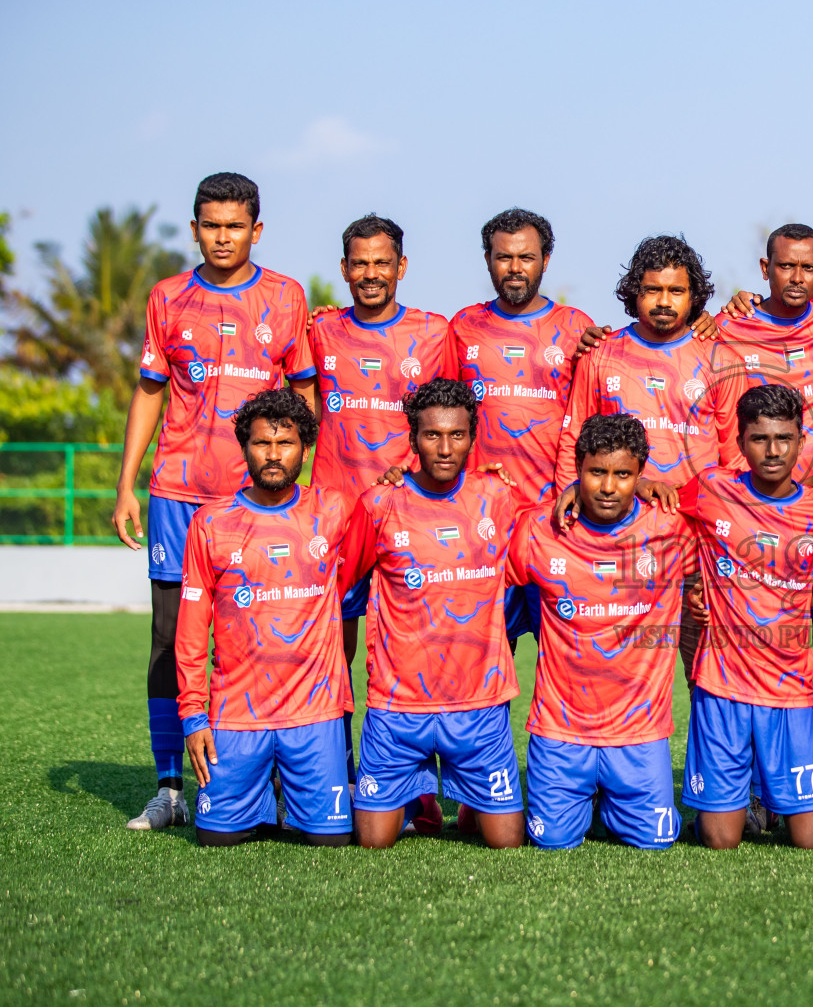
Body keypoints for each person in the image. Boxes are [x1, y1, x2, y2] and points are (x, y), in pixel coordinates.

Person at [114, 172, 317, 830]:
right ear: (195, 227)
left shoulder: (286, 297)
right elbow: (149, 390)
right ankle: (170, 786)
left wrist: (299, 481)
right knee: (169, 640)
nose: (222, 236)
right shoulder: (168, 297)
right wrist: (127, 482)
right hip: (178, 492)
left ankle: (273, 777)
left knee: (265, 633)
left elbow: (307, 394)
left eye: (235, 225)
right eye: (211, 225)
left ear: (256, 230)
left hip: (256, 501)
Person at [712, 223, 813, 819]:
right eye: (785, 267)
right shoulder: (729, 326)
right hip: (758, 524)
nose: (796, 278)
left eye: (808, 268)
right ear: (764, 268)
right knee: (760, 659)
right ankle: (752, 791)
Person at [339, 379, 525, 849]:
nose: (445, 448)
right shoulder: (379, 503)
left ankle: (469, 800)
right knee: (372, 842)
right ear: (413, 438)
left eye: (457, 435)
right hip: (398, 707)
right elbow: (342, 586)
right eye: (432, 435)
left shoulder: (498, 498)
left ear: (472, 437)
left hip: (479, 705)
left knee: (505, 843)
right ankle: (417, 798)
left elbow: (541, 554)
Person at [508, 413, 695, 849]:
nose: (608, 487)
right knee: (551, 843)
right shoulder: (540, 531)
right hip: (560, 731)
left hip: (639, 734)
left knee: (655, 843)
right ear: (577, 472)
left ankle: (609, 803)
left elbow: (732, 489)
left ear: (640, 476)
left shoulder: (670, 527)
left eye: (623, 475)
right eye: (596, 473)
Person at [555, 235, 742, 672]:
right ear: (633, 292)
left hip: (699, 545)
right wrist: (567, 493)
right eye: (652, 289)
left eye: (675, 291)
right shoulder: (601, 355)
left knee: (708, 676)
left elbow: (735, 459)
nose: (663, 301)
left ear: (693, 296)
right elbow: (574, 439)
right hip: (616, 541)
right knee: (615, 671)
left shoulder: (719, 359)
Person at [175, 389, 351, 847]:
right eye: (261, 444)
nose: (273, 455)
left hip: (314, 713)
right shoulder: (210, 524)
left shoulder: (333, 511)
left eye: (285, 444)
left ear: (305, 449)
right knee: (216, 839)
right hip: (237, 714)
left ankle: (290, 789)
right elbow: (191, 631)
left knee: (329, 842)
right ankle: (260, 792)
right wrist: (194, 718)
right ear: (244, 448)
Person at [680, 384, 813, 850]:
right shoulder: (712, 489)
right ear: (740, 441)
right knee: (719, 841)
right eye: (760, 439)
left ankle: (766, 795)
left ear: (801, 441)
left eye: (784, 439)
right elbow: (650, 506)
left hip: (790, 689)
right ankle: (744, 798)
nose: (773, 451)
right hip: (722, 686)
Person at [448, 208, 595, 650]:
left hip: (557, 518)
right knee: (488, 658)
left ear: (545, 260)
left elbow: (591, 422)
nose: (515, 268)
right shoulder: (462, 327)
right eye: (503, 257)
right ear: (487, 260)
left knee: (566, 657)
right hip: (483, 522)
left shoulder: (576, 328)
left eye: (526, 257)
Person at [310, 213, 451, 667]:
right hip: (335, 511)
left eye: (381, 263)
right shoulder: (320, 331)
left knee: (411, 647)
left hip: (407, 509)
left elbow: (455, 417)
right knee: (333, 649)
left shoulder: (433, 333)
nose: (370, 274)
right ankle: (335, 739)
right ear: (344, 268)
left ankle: (406, 737)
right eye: (359, 263)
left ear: (401, 267)